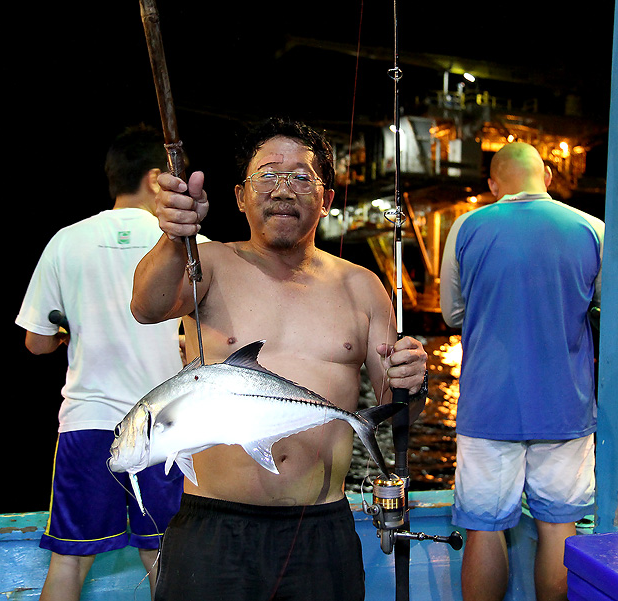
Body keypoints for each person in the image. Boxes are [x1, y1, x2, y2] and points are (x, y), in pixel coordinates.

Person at [130, 117, 428, 600]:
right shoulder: (206, 264)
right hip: (214, 526)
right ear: (241, 195)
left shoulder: (362, 286)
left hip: (320, 529)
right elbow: (146, 306)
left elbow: (399, 413)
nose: (283, 189)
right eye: (267, 175)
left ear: (327, 199)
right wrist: (173, 234)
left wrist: (413, 382)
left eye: (301, 177)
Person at [16, 124, 207, 600]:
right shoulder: (188, 245)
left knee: (68, 563)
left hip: (88, 424)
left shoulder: (65, 241)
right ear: (155, 177)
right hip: (165, 428)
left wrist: (66, 334)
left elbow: (36, 343)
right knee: (163, 557)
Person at [439, 142, 604, 601]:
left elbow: (452, 314)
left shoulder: (467, 227)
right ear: (547, 176)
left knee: (483, 529)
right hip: (566, 410)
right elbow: (607, 307)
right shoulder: (592, 229)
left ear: (493, 185)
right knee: (559, 529)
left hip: (489, 406)